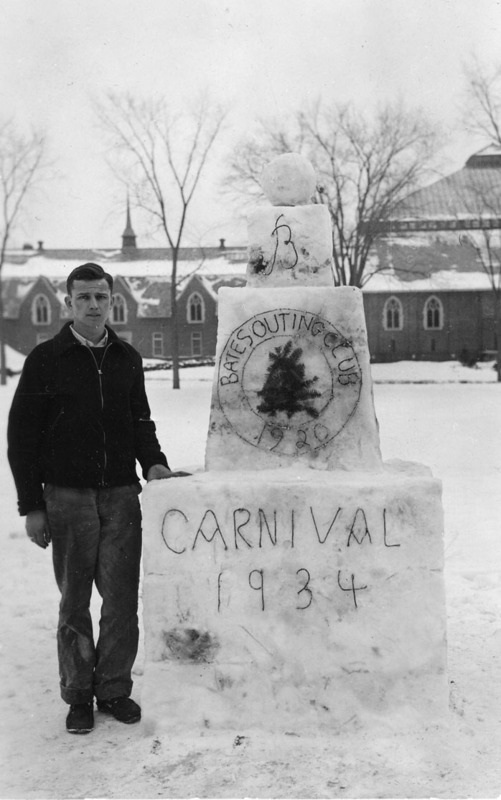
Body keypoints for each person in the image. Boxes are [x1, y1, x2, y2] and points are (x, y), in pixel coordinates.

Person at [8, 262, 184, 735]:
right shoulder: (46, 359)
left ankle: (112, 689)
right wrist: (32, 506)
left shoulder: (127, 357)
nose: (92, 305)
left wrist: (154, 464)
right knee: (74, 600)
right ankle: (77, 694)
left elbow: (140, 422)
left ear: (112, 301)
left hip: (122, 496)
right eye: (82, 297)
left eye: (100, 297)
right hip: (66, 498)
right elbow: (21, 438)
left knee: (122, 599)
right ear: (68, 303)